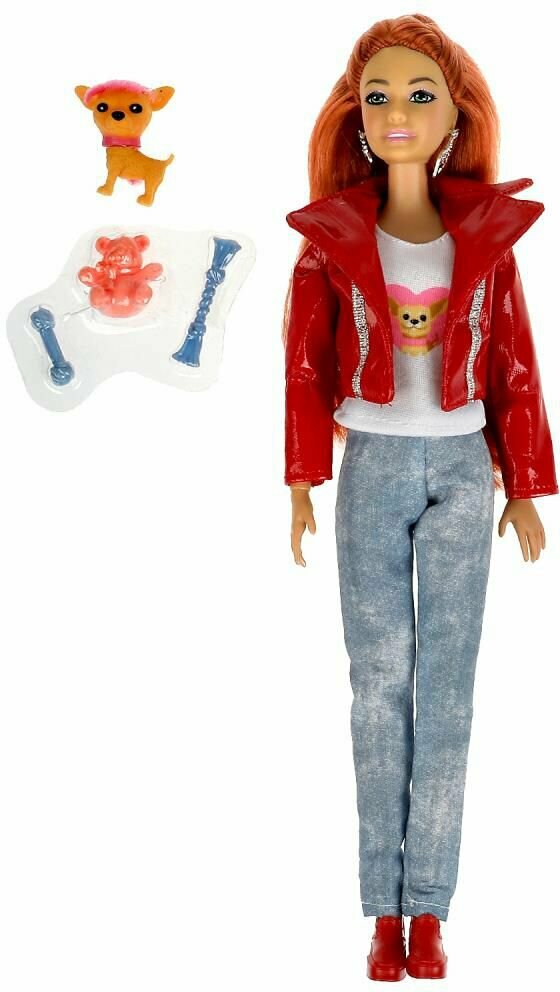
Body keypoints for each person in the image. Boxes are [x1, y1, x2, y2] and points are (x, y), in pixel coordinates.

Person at [283, 13, 558, 981]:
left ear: (454, 116)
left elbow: (515, 363)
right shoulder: (330, 239)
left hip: (460, 470)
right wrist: (301, 478)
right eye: (378, 96)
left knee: (447, 691)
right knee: (377, 689)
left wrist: (524, 481)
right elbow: (302, 366)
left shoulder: (485, 238)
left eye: (419, 94)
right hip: (371, 467)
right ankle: (382, 910)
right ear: (355, 117)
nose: (397, 111)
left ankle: (429, 909)